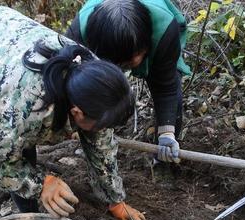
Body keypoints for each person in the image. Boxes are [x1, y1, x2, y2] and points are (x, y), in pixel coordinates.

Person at [0, 6, 146, 220]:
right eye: (99, 126)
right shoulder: (17, 104)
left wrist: (115, 200)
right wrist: (40, 184)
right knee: (8, 144)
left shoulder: (95, 79)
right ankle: (28, 212)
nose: (100, 131)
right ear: (76, 111)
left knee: (27, 132)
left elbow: (101, 143)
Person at [66, 0, 191, 164]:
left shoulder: (163, 31)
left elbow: (166, 88)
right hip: (98, 49)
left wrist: (167, 133)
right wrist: (75, 123)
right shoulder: (78, 35)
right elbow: (71, 84)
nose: (131, 65)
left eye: (132, 61)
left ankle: (163, 162)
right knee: (95, 100)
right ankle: (94, 141)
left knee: (171, 93)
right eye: (121, 64)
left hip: (158, 35)